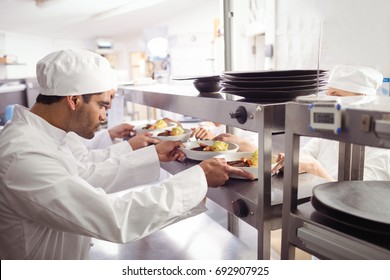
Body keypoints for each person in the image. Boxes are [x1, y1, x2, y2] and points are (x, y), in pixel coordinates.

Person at [0, 49, 254, 260]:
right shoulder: (22, 155)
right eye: (102, 105)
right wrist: (198, 177)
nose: (104, 116)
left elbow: (84, 174)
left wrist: (153, 154)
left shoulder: (44, 136)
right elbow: (114, 218)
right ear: (74, 100)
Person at [276, 64, 390, 181]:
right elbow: (305, 155)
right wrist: (289, 159)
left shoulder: (382, 151)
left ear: (364, 100)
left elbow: (357, 195)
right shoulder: (329, 132)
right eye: (328, 95)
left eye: (337, 96)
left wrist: (314, 167)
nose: (328, 102)